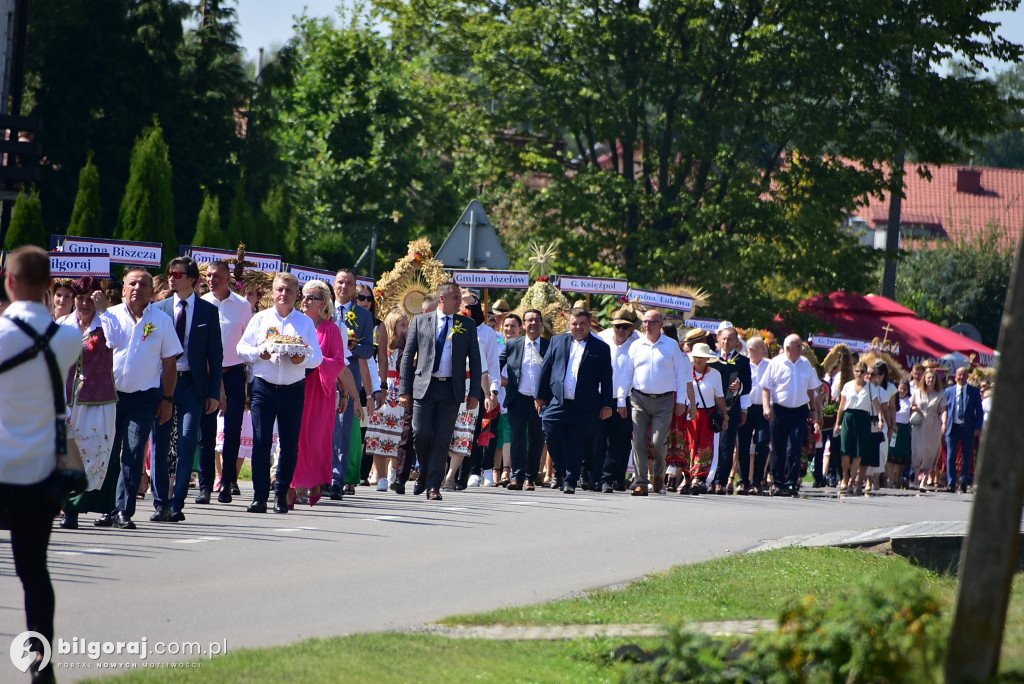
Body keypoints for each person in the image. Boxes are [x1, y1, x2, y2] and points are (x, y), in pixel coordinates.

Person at [0, 246, 83, 684]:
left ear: (9, 281)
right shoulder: (67, 337)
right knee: (34, 571)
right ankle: (41, 666)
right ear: (49, 285)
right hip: (42, 468)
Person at [97, 268, 182, 529]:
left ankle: (124, 510)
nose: (137, 288)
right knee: (108, 454)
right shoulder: (109, 315)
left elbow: (169, 364)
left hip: (144, 397)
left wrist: (167, 399)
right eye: (132, 283)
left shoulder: (162, 320)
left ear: (151, 291)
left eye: (143, 284)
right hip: (109, 397)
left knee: (133, 453)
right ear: (122, 289)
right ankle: (106, 508)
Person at [237, 273, 324, 513]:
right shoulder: (260, 319)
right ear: (272, 293)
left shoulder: (304, 323)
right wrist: (258, 353)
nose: (283, 294)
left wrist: (302, 357)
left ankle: (281, 495)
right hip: (264, 388)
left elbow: (317, 357)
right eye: (279, 289)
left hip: (293, 390)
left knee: (289, 445)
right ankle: (259, 497)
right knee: (261, 442)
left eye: (288, 290)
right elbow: (241, 347)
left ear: (297, 295)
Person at [151, 256, 223, 522]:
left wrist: (214, 393)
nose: (171, 277)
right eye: (169, 273)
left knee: (187, 441)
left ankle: (177, 502)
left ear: (193, 280)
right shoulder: (158, 309)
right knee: (159, 442)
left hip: (193, 384)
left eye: (178, 274)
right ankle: (160, 502)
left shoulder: (207, 311)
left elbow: (216, 356)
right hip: (163, 384)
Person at [399, 281, 481, 501]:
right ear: (442, 299)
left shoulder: (467, 324)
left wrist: (474, 393)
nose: (459, 302)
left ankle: (434, 485)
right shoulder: (420, 321)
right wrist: (404, 390)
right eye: (455, 298)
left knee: (443, 439)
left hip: (451, 389)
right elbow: (407, 358)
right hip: (424, 387)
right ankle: (425, 470)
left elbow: (475, 360)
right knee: (420, 432)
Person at [58, 277, 118, 530]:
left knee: (93, 455)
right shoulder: (63, 324)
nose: (83, 303)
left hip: (98, 401)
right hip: (66, 399)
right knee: (68, 455)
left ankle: (86, 505)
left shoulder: (107, 321)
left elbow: (118, 339)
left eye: (89, 298)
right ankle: (69, 510)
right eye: (79, 298)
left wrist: (104, 309)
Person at [535, 308, 613, 494]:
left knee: (576, 444)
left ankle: (570, 480)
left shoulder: (601, 348)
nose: (578, 327)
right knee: (551, 434)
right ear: (569, 324)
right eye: (574, 323)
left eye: (582, 323)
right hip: (558, 402)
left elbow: (607, 378)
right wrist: (540, 397)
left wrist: (606, 404)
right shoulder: (557, 341)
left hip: (584, 405)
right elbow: (545, 370)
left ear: (589, 324)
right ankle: (561, 472)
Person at [621, 309, 695, 496]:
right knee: (638, 442)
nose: (647, 326)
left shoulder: (671, 346)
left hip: (664, 401)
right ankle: (641, 482)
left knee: (657, 442)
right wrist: (621, 400)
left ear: (661, 325)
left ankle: (658, 477)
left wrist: (681, 401)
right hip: (639, 399)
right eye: (645, 322)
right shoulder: (636, 346)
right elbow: (626, 375)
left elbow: (680, 376)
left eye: (651, 322)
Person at [292, 280, 350, 507]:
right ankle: (296, 485)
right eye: (304, 296)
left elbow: (338, 362)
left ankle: (315, 481)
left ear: (323, 302)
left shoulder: (331, 329)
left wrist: (312, 359)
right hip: (296, 386)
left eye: (311, 297)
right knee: (296, 438)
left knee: (315, 440)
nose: (305, 301)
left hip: (321, 390)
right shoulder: (295, 324)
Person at [200, 260, 253, 504]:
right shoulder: (201, 303)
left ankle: (228, 481)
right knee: (207, 431)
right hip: (207, 374)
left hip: (233, 373)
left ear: (228, 278)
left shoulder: (242, 306)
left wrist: (250, 380)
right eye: (209, 276)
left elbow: (248, 343)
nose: (212, 280)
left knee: (233, 430)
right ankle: (205, 485)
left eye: (217, 276)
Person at [331, 268, 379, 499]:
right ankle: (319, 476)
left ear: (354, 287)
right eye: (340, 282)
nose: (344, 287)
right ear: (333, 284)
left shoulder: (363, 315)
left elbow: (369, 350)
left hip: (348, 378)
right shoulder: (323, 308)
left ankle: (337, 480)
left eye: (349, 283)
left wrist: (352, 347)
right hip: (324, 374)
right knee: (322, 428)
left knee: (342, 430)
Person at [761, 334, 822, 497]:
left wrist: (813, 409)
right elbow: (766, 387)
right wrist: (766, 406)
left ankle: (792, 483)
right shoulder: (776, 363)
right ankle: (778, 482)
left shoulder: (806, 364)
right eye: (798, 346)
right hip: (779, 410)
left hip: (799, 411)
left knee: (795, 447)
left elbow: (811, 388)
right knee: (779, 448)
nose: (802, 349)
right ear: (788, 348)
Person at [500, 309, 549, 490]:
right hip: (518, 398)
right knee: (517, 439)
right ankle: (517, 477)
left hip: (539, 401)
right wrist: (500, 379)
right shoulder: (514, 344)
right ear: (524, 325)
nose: (533, 324)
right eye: (529, 320)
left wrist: (544, 396)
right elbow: (496, 362)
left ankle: (530, 478)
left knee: (536, 440)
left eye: (536, 320)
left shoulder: (548, 345)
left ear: (541, 323)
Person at [595, 308, 640, 492]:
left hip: (627, 398)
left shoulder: (638, 343)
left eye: (625, 327)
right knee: (600, 440)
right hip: (602, 396)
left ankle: (618, 478)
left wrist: (622, 401)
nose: (621, 330)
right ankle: (602, 478)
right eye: (617, 326)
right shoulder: (602, 338)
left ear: (631, 329)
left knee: (620, 441)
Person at [364, 309, 410, 489]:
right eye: (402, 325)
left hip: (400, 392)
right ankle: (381, 476)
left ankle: (394, 472)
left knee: (399, 434)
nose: (406, 329)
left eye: (407, 325)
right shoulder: (382, 347)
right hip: (384, 388)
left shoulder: (407, 347)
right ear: (392, 326)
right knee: (379, 432)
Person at [709, 324, 751, 494]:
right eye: (723, 339)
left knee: (726, 446)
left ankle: (721, 480)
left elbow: (748, 386)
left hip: (730, 408)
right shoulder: (711, 358)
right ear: (718, 339)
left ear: (736, 342)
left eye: (730, 339)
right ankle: (706, 478)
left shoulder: (743, 361)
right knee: (709, 444)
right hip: (711, 407)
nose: (726, 342)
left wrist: (739, 387)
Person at [832, 361, 884, 495]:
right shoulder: (848, 386)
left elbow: (877, 405)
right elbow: (841, 406)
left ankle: (852, 480)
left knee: (858, 451)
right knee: (845, 450)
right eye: (857, 371)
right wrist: (838, 423)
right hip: (849, 417)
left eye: (862, 371)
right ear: (854, 371)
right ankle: (844, 476)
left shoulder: (871, 388)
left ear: (866, 373)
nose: (859, 374)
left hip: (863, 418)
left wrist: (880, 419)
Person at [683, 342, 728, 495]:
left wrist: (725, 415)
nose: (698, 360)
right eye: (696, 357)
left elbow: (720, 396)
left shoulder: (715, 375)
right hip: (689, 414)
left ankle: (698, 478)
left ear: (707, 359)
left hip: (707, 414)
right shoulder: (686, 371)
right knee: (688, 445)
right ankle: (687, 477)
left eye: (702, 358)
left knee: (704, 446)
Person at [942, 365, 983, 493]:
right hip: (952, 428)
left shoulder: (974, 391)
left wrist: (978, 427)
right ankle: (951, 483)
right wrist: (943, 423)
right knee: (951, 456)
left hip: (968, 428)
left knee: (967, 456)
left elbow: (979, 412)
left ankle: (964, 481)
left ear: (967, 377)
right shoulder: (949, 391)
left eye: (964, 375)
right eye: (959, 375)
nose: (961, 377)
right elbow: (944, 409)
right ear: (955, 376)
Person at [910, 368, 947, 489]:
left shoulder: (940, 394)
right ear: (924, 379)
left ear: (936, 380)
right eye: (928, 377)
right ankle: (915, 478)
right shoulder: (918, 392)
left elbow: (943, 410)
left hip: (933, 424)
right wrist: (914, 409)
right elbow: (912, 405)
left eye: (933, 378)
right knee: (918, 450)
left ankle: (924, 479)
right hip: (919, 424)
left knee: (929, 451)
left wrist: (944, 423)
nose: (930, 380)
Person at [890, 379, 913, 488]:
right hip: (895, 428)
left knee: (902, 454)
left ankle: (899, 476)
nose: (902, 391)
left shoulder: (910, 401)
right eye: (900, 389)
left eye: (904, 389)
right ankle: (892, 477)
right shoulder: (894, 399)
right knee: (892, 453)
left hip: (904, 429)